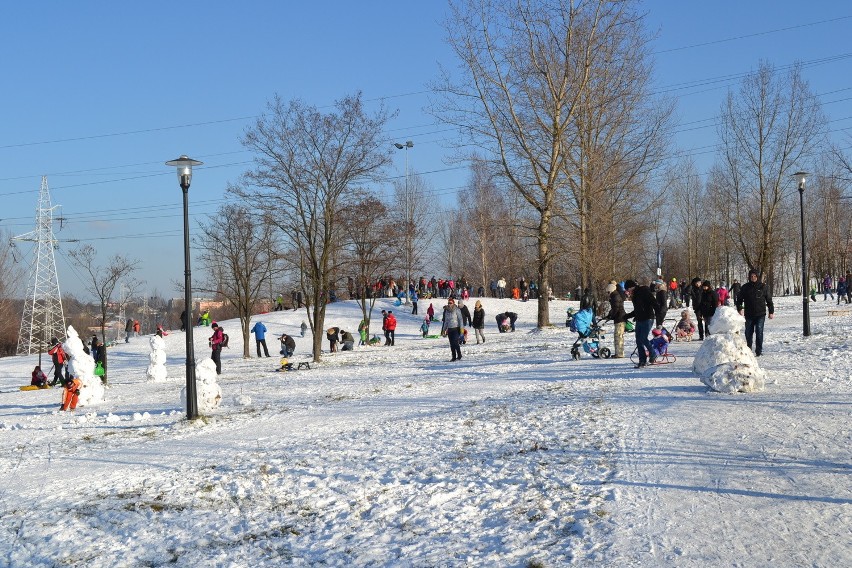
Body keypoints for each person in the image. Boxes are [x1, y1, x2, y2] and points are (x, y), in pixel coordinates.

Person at [735, 268, 774, 356]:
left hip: (760, 314)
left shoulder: (763, 287)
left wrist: (771, 311)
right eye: (751, 276)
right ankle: (749, 349)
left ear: (757, 277)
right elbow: (739, 299)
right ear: (749, 277)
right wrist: (740, 308)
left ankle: (758, 351)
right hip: (749, 314)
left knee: (759, 331)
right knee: (748, 332)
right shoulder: (745, 287)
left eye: (755, 276)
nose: (753, 278)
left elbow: (769, 300)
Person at [623, 279, 661, 369]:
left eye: (628, 290)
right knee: (638, 340)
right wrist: (627, 316)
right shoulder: (634, 295)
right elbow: (637, 310)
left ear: (631, 287)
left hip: (648, 318)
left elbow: (654, 302)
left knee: (643, 338)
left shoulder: (643, 291)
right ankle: (642, 360)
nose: (628, 292)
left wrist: (659, 316)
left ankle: (653, 353)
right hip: (639, 319)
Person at [604, 280, 627, 358]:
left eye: (608, 292)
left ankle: (620, 353)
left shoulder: (615, 296)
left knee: (619, 336)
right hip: (619, 318)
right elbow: (614, 308)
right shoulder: (615, 296)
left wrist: (611, 315)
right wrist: (609, 315)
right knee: (617, 336)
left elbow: (616, 309)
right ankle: (618, 352)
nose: (608, 294)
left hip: (620, 318)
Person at [441, 297, 464, 362]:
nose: (449, 304)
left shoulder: (457, 310)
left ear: (453, 303)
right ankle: (453, 357)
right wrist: (443, 330)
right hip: (450, 329)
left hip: (456, 328)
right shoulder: (446, 311)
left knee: (455, 342)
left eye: (450, 303)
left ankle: (459, 355)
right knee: (451, 344)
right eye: (448, 303)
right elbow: (446, 321)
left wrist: (462, 330)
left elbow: (460, 320)